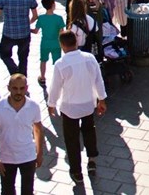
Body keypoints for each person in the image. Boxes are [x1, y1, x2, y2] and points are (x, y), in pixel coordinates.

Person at [47, 29, 107, 184]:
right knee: (89, 131)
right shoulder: (89, 58)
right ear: (76, 41)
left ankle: (76, 171)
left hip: (69, 108)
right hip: (88, 104)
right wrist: (102, 99)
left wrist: (51, 104)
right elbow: (98, 80)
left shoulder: (60, 64)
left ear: (62, 45)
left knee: (71, 139)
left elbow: (55, 88)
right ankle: (92, 159)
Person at [0, 74, 43, 195]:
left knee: (28, 191)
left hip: (28, 156)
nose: (18, 92)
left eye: (22, 88)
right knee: (7, 191)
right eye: (15, 88)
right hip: (6, 157)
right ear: (9, 88)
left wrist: (39, 153)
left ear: (26, 88)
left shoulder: (34, 107)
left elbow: (38, 130)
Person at [33, 0, 65, 86]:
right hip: (56, 43)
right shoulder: (59, 18)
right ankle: (58, 78)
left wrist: (28, 29)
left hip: (45, 43)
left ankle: (42, 77)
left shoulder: (41, 18)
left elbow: (36, 31)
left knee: (43, 60)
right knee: (57, 62)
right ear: (53, 4)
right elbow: (61, 32)